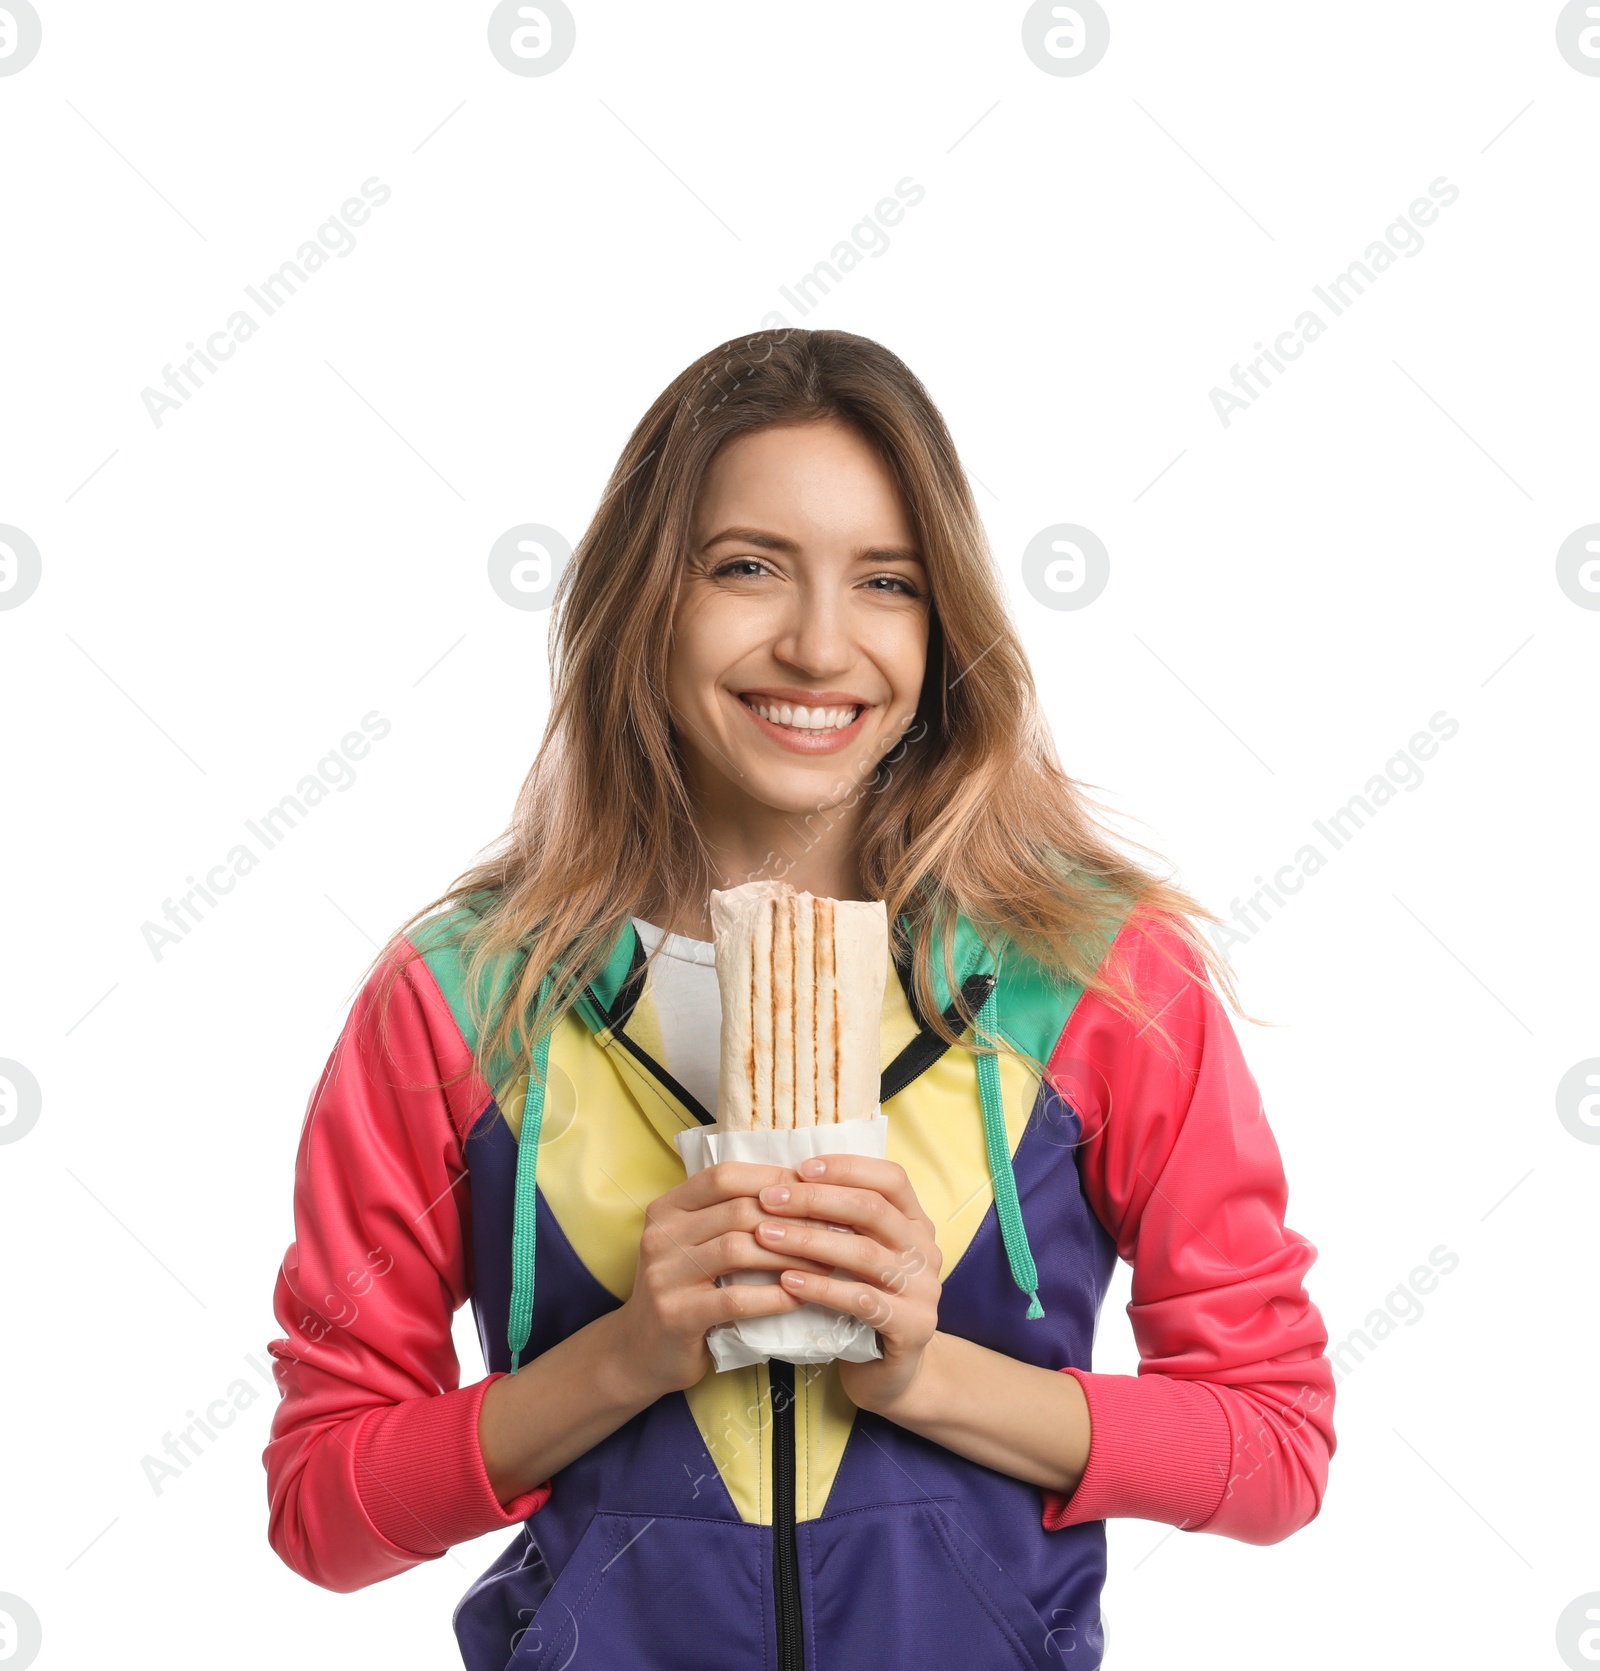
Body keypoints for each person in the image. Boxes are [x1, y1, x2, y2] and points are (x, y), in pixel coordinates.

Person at [262, 328, 1335, 1670]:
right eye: (747, 567)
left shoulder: (1099, 981)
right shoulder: (459, 1003)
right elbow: (322, 1510)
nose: (821, 645)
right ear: (643, 596)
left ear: (942, 626)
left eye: (886, 581)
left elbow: (1274, 1449)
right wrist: (625, 1358)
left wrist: (925, 1375)